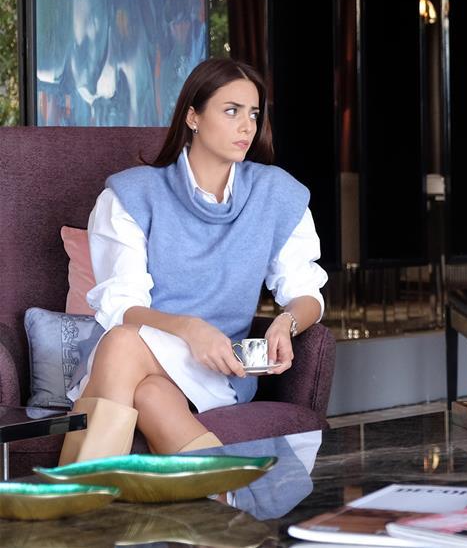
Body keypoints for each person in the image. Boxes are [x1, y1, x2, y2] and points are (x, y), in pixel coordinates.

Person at [60, 58, 328, 464]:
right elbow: (122, 309)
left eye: (253, 114)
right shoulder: (131, 195)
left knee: (139, 377)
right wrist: (191, 329)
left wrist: (286, 323)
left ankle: (78, 498)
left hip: (219, 366)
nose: (247, 126)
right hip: (140, 348)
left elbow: (306, 292)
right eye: (231, 111)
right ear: (193, 117)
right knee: (133, 362)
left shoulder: (276, 194)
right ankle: (231, 496)